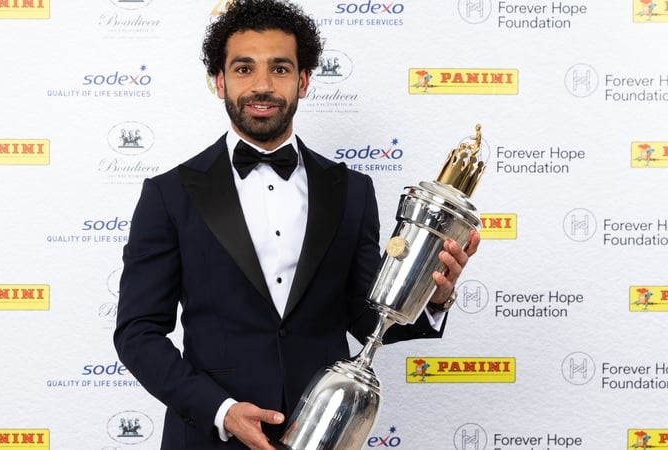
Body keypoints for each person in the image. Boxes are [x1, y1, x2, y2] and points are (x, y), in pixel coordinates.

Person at [113, 1, 481, 449]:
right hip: (207, 437)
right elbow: (138, 333)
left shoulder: (352, 190)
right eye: (244, 68)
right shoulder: (168, 194)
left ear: (303, 81)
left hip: (325, 432)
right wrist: (222, 411)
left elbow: (367, 317)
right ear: (219, 81)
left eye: (281, 69)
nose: (262, 85)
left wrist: (432, 293)